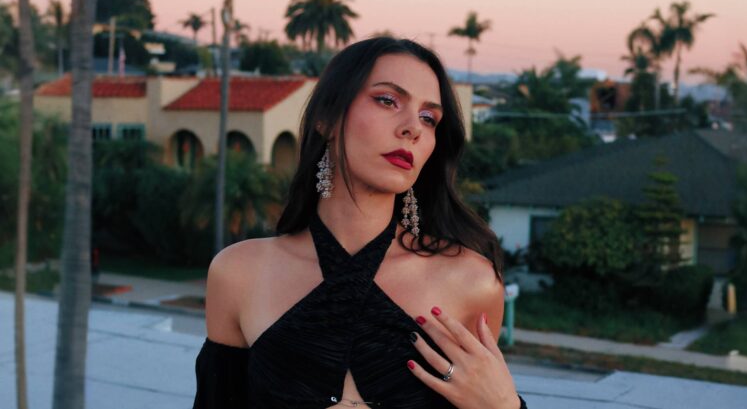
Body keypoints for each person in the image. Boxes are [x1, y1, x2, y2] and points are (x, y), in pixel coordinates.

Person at [193, 37, 527, 409]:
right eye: (387, 100)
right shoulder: (238, 273)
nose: (412, 128)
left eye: (428, 118)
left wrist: (505, 407)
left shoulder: (473, 282)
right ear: (327, 118)